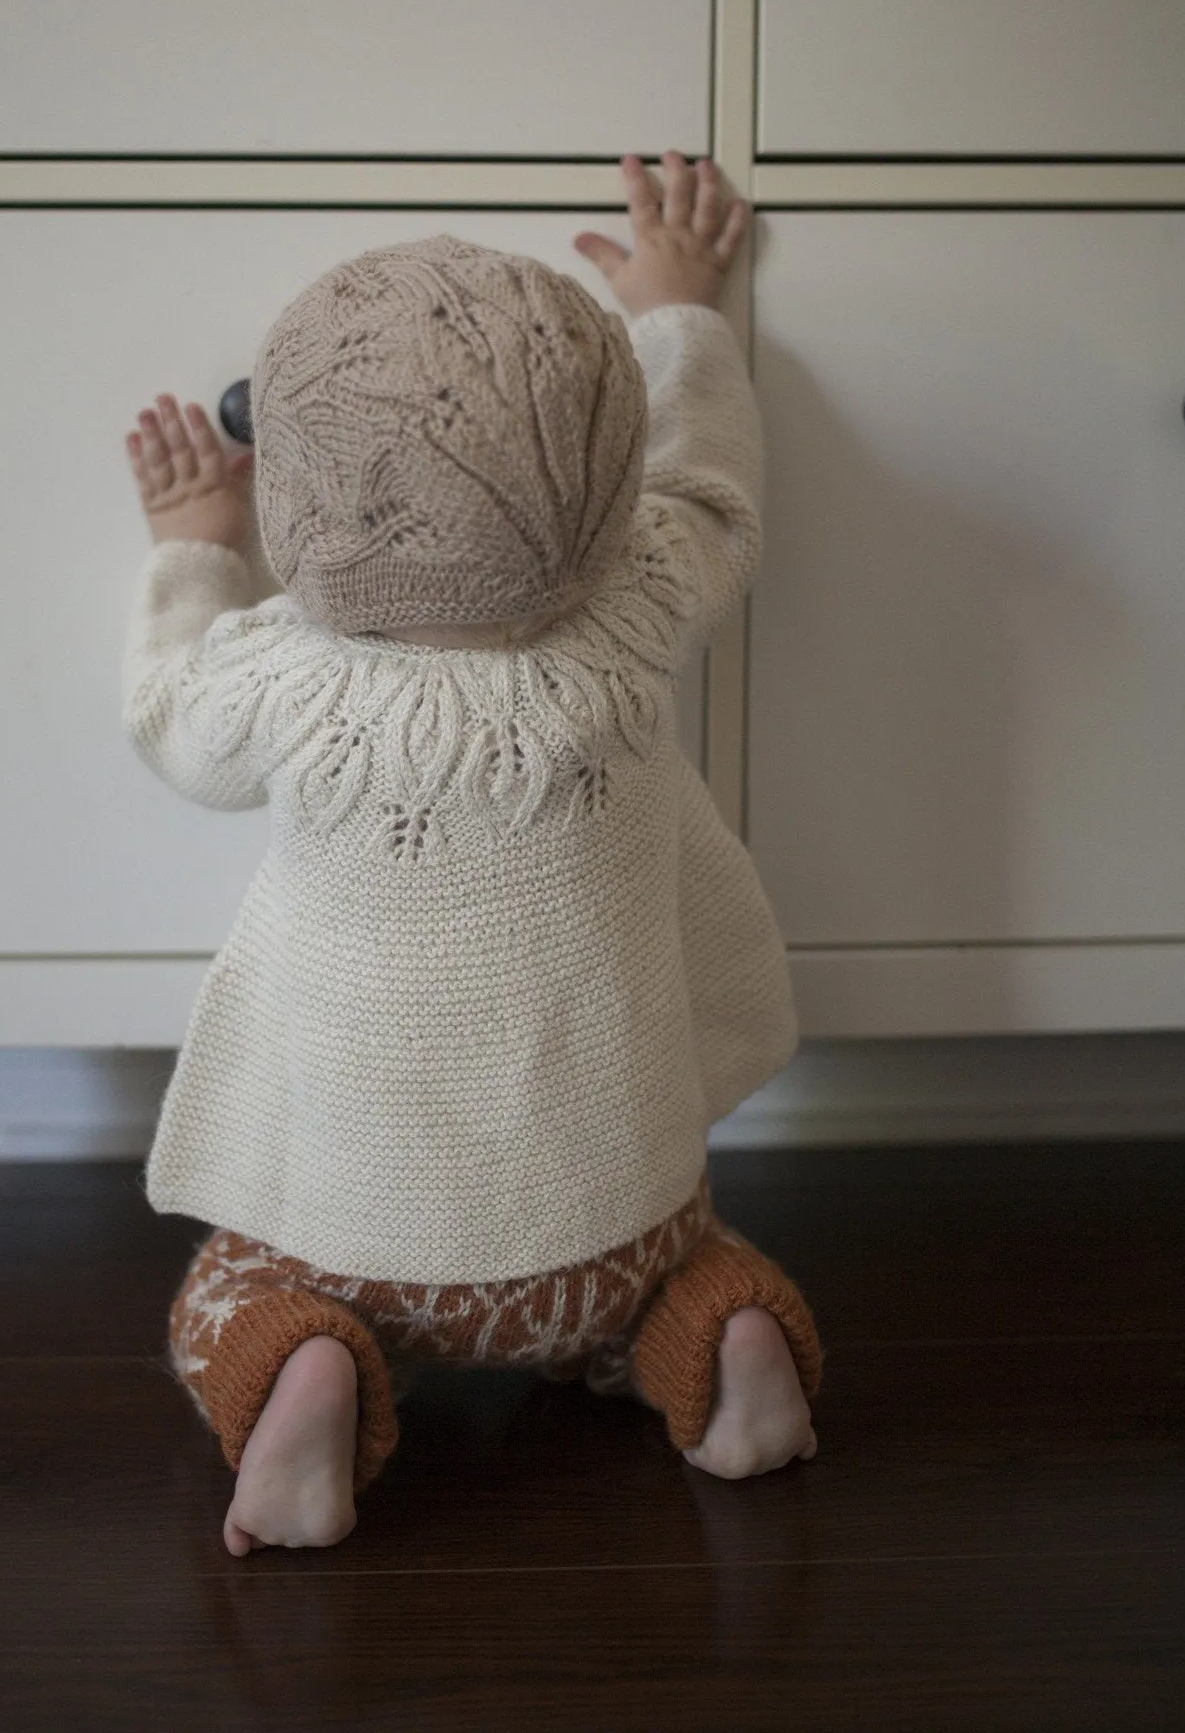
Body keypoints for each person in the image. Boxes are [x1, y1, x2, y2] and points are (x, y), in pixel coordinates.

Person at [122, 152, 820, 1555]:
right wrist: (680, 311)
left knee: (233, 1296)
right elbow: (712, 489)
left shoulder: (279, 675)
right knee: (683, 1268)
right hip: (612, 1224)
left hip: (356, 1239)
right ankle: (724, 1346)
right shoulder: (638, 598)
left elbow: (169, 721)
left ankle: (306, 1381)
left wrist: (197, 548)